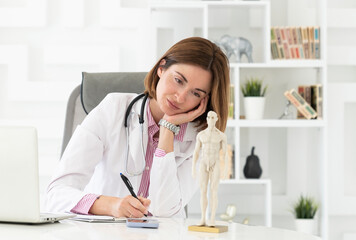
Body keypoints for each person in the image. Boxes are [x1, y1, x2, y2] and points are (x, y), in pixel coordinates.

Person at [45, 37, 230, 218]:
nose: (180, 97)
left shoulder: (201, 140)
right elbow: (56, 194)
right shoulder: (113, 109)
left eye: (195, 93)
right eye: (178, 80)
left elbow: (165, 211)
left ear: (204, 101)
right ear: (161, 68)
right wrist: (111, 205)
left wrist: (167, 130)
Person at [192, 111, 227, 226]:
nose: (210, 119)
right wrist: (193, 167)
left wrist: (225, 169)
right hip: (203, 162)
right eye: (209, 117)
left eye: (213, 117)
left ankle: (212, 218)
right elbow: (196, 152)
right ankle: (203, 217)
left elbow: (225, 154)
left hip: (215, 162)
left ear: (216, 119)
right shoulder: (201, 135)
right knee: (203, 191)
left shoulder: (221, 136)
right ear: (207, 119)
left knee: (214, 191)